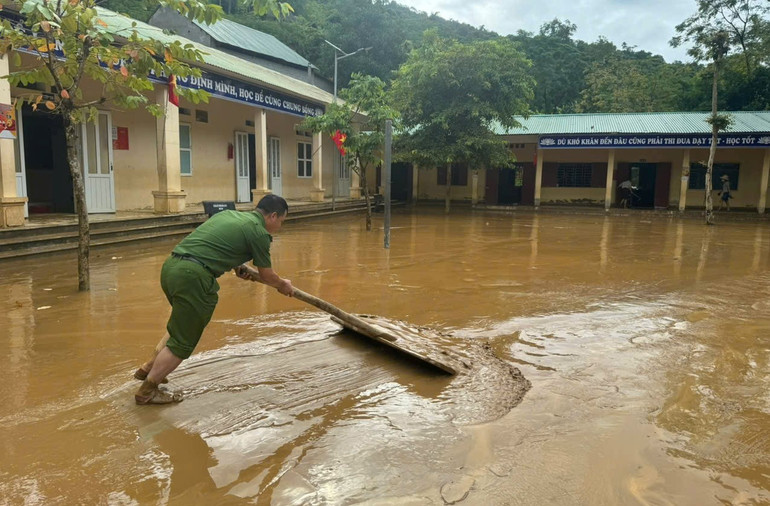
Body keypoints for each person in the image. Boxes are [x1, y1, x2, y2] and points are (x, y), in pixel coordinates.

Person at [133, 194, 294, 405]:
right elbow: (267, 275)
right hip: (194, 277)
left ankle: (148, 369)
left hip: (172, 268)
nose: (280, 226)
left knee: (182, 325)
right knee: (184, 341)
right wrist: (282, 284)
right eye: (281, 221)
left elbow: (214, 244)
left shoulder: (229, 215)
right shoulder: (259, 233)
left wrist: (237, 265)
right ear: (273, 216)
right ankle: (147, 391)